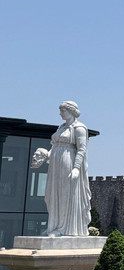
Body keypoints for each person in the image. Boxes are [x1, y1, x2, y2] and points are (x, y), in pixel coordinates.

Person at [31, 101, 91, 237]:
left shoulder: (79, 128)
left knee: (65, 194)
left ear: (71, 111)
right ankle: (54, 225)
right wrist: (46, 156)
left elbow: (82, 149)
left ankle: (63, 228)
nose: (60, 114)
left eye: (63, 111)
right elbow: (55, 146)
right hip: (55, 164)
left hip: (68, 162)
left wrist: (76, 168)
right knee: (52, 194)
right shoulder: (61, 127)